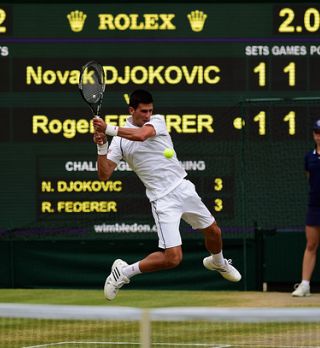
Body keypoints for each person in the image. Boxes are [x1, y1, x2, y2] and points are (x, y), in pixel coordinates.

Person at [93, 89, 241, 300]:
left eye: (150, 111)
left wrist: (108, 128)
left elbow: (142, 136)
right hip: (162, 200)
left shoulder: (157, 122)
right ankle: (123, 272)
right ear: (131, 110)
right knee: (173, 259)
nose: (147, 115)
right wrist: (101, 146)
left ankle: (217, 262)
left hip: (182, 187)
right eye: (143, 111)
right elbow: (104, 174)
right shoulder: (119, 141)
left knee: (215, 232)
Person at [292, 119, 320, 297]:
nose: (319, 136)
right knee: (311, 244)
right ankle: (305, 285)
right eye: (317, 132)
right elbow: (309, 178)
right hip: (315, 205)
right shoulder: (308, 157)